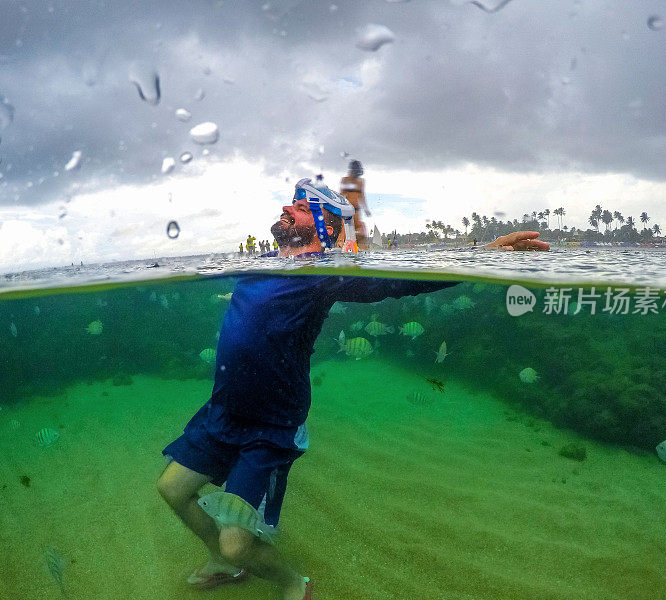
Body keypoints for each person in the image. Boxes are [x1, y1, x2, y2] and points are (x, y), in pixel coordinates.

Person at [157, 178, 548, 600]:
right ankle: (224, 563)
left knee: (238, 543)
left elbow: (402, 281)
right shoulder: (260, 263)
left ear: (324, 226)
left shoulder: (324, 276)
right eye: (292, 202)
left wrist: (485, 255)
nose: (291, 208)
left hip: (268, 427)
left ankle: (292, 583)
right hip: (222, 412)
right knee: (172, 490)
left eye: (304, 208)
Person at [340, 160, 372, 251]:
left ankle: (363, 251)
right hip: (347, 212)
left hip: (357, 211)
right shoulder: (345, 180)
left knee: (361, 233)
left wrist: (366, 209)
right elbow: (341, 195)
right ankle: (342, 247)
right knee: (345, 232)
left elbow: (362, 196)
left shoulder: (361, 181)